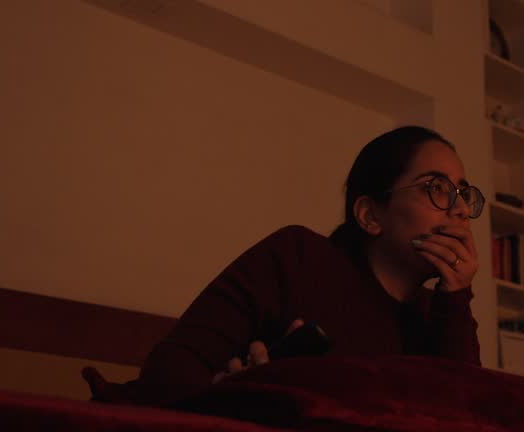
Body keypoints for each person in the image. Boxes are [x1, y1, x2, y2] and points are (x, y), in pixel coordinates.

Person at [124, 126, 486, 405]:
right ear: (370, 215)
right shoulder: (298, 258)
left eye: (462, 194)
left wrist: (456, 298)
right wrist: (230, 397)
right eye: (436, 187)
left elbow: (466, 414)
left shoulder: (438, 315)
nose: (459, 210)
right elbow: (168, 372)